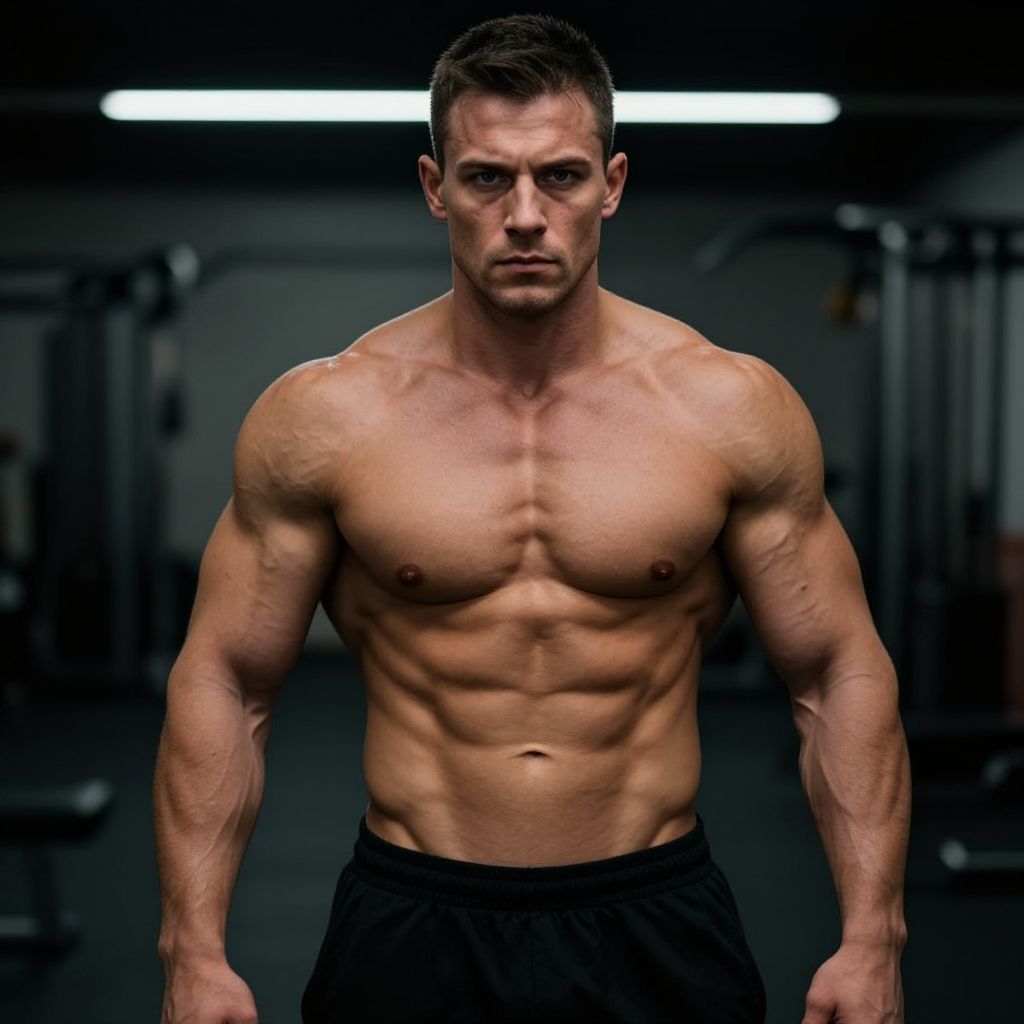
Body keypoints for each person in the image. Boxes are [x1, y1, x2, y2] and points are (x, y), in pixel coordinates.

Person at [154, 13, 910, 1024]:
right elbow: (226, 679)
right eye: (484, 178)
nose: (523, 214)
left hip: (654, 913)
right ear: (435, 189)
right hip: (412, 915)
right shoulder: (326, 415)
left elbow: (834, 670)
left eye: (558, 175)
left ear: (612, 182)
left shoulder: (726, 407)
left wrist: (873, 937)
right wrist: (190, 949)